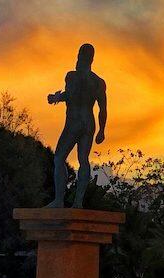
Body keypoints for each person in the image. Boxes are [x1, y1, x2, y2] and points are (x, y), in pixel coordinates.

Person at [45, 43, 107, 208]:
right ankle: (78, 202)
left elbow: (71, 95)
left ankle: (59, 200)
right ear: (92, 59)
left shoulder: (72, 76)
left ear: (80, 56)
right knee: (83, 160)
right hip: (89, 122)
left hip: (74, 121)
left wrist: (55, 98)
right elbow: (103, 109)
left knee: (59, 158)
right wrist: (101, 130)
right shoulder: (98, 82)